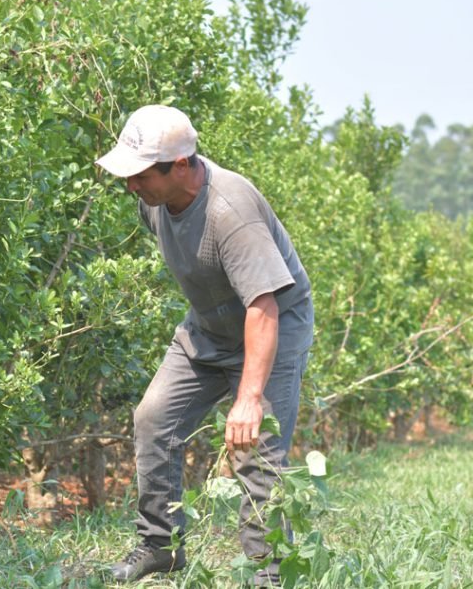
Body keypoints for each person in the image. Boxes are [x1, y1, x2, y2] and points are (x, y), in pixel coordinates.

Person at [95, 105, 314, 586]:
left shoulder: (230, 212)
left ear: (180, 166)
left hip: (272, 327)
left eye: (140, 175)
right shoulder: (152, 202)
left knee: (253, 449)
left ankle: (269, 575)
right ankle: (161, 546)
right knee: (154, 418)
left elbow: (264, 308)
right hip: (210, 327)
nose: (131, 186)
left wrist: (249, 398)